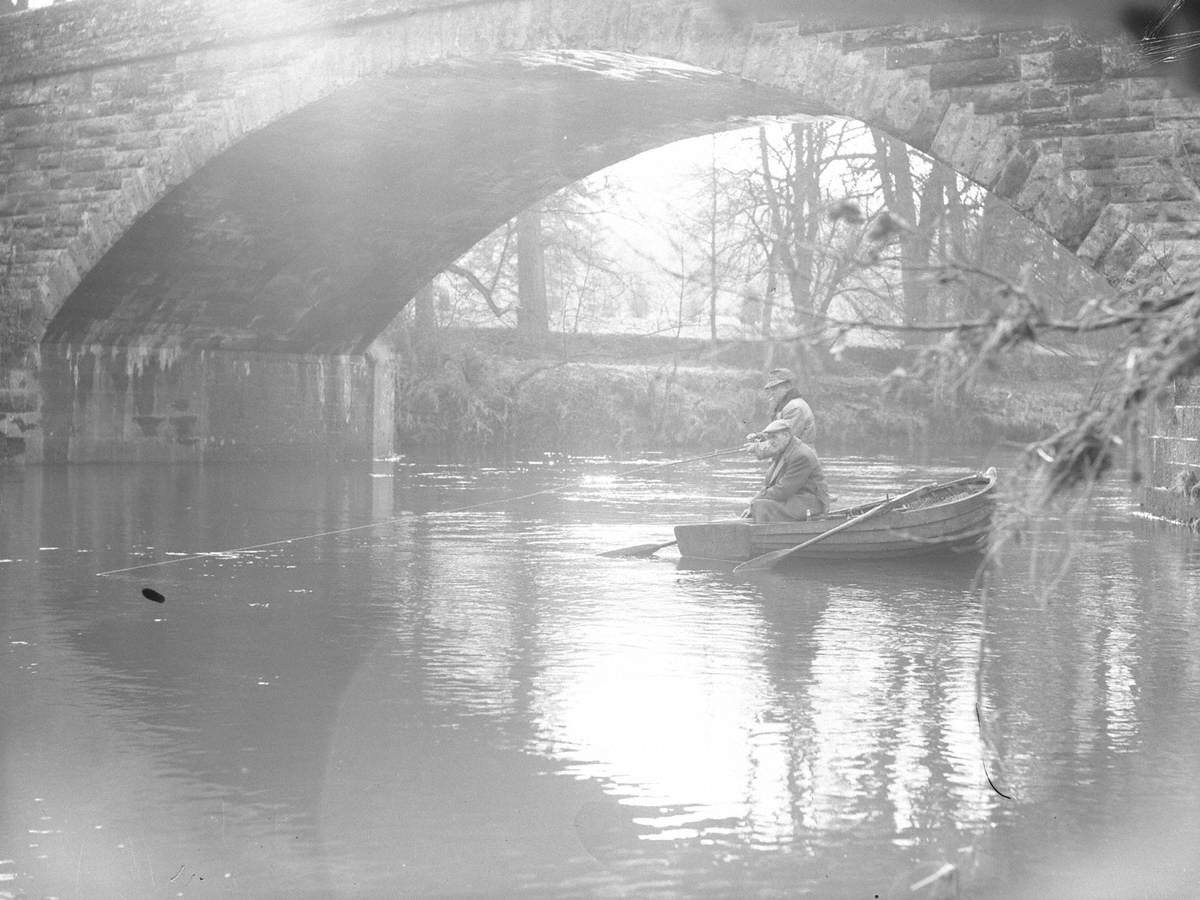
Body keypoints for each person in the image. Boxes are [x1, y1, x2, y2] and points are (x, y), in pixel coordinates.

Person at [743, 418, 830, 523]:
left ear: (786, 436)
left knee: (761, 506)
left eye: (774, 437)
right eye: (769, 438)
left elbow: (782, 491)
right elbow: (770, 485)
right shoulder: (784, 449)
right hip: (797, 498)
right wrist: (753, 504)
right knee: (759, 505)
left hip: (810, 503)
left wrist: (754, 502)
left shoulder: (801, 455)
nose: (770, 442)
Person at [761, 368, 815, 442]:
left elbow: (786, 439)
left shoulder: (795, 407)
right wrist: (761, 436)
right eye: (771, 389)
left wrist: (758, 447)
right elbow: (778, 432)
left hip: (798, 453)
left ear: (787, 387)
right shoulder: (784, 406)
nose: (772, 392)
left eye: (775, 388)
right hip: (792, 452)